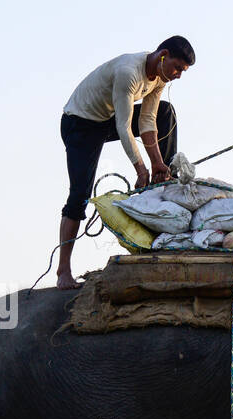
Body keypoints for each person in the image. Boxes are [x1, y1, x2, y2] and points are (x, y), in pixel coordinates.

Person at [56, 37, 195, 289]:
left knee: (166, 113)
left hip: (106, 121)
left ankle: (163, 180)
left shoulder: (160, 78)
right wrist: (140, 168)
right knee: (79, 195)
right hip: (80, 124)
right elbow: (124, 127)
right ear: (163, 55)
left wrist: (157, 163)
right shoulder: (128, 72)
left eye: (182, 72)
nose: (177, 76)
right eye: (177, 68)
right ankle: (63, 271)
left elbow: (147, 122)